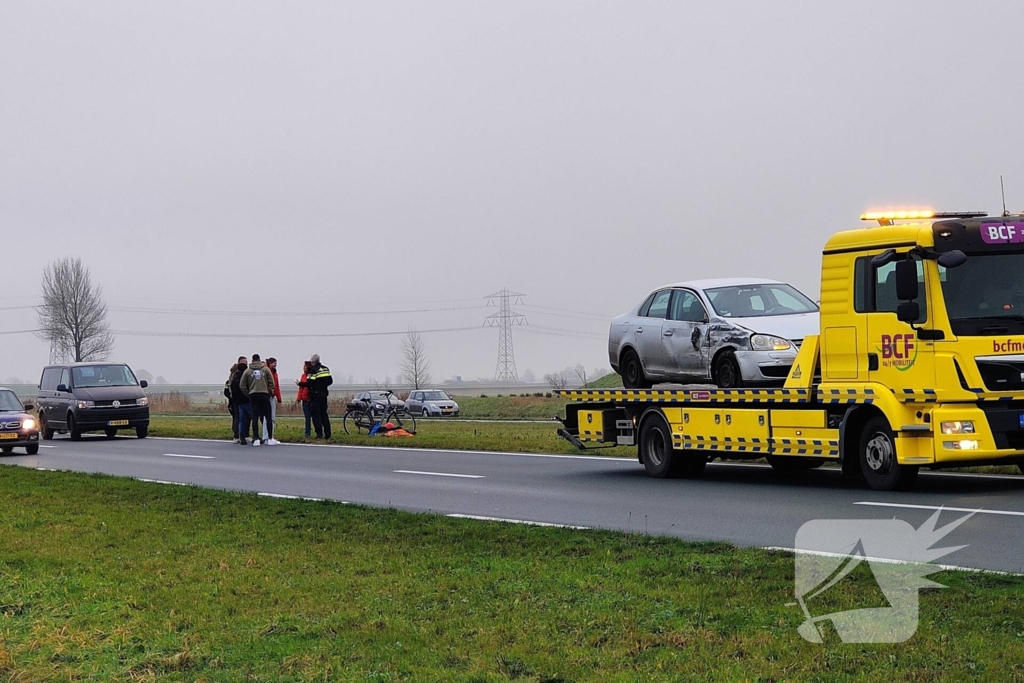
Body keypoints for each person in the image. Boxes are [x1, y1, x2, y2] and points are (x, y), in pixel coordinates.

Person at [241, 354, 276, 446]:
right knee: (268, 416)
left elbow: (242, 385)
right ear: (259, 360)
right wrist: (269, 391)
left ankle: (256, 438)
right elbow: (272, 382)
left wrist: (248, 394)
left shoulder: (247, 371)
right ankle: (270, 438)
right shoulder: (265, 369)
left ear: (252, 360)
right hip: (264, 394)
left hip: (253, 394)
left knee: (255, 417)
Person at [298, 353, 333, 439]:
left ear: (313, 362)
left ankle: (319, 434)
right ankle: (328, 434)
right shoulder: (325, 369)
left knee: (316, 415)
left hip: (315, 395)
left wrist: (300, 384)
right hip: (324, 394)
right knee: (324, 414)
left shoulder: (313, 370)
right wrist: (323, 386)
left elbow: (309, 383)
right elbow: (330, 381)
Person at [225, 356, 247, 443]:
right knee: (238, 417)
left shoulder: (234, 372)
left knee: (239, 417)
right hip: (236, 398)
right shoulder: (235, 373)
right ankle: (237, 435)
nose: (246, 364)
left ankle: (239, 435)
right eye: (245, 362)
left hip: (234, 397)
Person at [261, 357, 282, 445]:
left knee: (272, 417)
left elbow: (276, 386)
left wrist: (278, 397)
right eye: (274, 363)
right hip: (267, 396)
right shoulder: (267, 372)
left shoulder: (274, 372)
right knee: (268, 417)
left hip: (272, 396)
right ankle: (266, 436)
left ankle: (270, 435)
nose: (275, 365)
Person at [230, 360, 251, 446]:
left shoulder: (234, 376)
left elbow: (231, 388)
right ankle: (243, 436)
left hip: (237, 400)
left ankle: (240, 436)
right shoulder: (244, 376)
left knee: (240, 419)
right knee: (248, 417)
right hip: (245, 400)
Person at [296, 360, 312, 438]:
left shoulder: (311, 375)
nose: (303, 368)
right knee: (307, 417)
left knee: (315, 416)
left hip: (311, 399)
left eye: (305, 367)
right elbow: (301, 388)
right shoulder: (303, 376)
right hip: (304, 399)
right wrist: (299, 398)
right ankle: (307, 433)